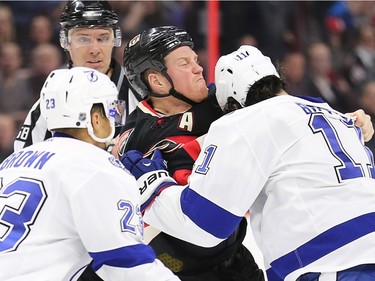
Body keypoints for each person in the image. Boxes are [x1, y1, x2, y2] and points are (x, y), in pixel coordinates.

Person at [121, 45, 375, 281]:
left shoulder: (245, 120)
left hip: (330, 261)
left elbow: (205, 226)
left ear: (233, 103)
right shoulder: (339, 117)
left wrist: (153, 188)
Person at [0, 66, 180, 281]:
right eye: (112, 109)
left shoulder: (12, 161)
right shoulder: (95, 166)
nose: (115, 117)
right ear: (96, 117)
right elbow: (125, 263)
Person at [113, 26, 263, 281]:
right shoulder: (132, 141)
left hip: (235, 262)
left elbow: (284, 111)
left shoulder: (226, 99)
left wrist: (340, 120)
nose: (198, 68)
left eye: (195, 59)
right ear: (157, 81)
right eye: (184, 63)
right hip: (175, 271)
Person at [14, 0, 142, 151]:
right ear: (65, 42)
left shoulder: (140, 92)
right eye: (83, 39)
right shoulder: (50, 100)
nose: (94, 49)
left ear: (115, 40)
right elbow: (25, 160)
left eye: (102, 38)